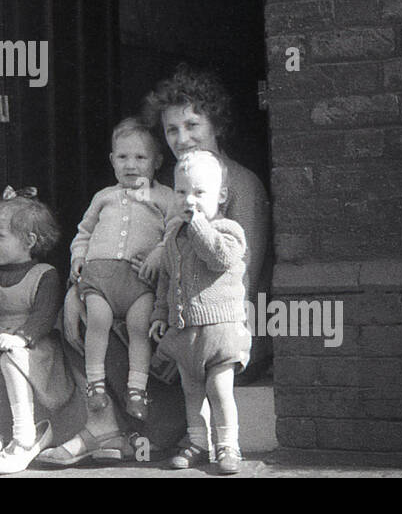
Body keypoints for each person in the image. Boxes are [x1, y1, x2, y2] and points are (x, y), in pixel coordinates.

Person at [40, 64, 271, 467]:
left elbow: (243, 278)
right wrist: (78, 289)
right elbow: (119, 241)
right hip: (161, 316)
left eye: (192, 125)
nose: (182, 138)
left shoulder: (242, 184)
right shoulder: (163, 183)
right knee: (75, 315)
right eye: (171, 129)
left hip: (218, 332)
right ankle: (105, 423)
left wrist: (177, 332)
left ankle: (127, 430)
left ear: (217, 123)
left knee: (163, 409)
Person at [142, 149, 249, 473]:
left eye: (199, 193)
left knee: (219, 390)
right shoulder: (174, 236)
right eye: (182, 191)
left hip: (221, 332)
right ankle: (197, 442)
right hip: (186, 333)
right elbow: (166, 280)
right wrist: (160, 314)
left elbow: (219, 257)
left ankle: (229, 446)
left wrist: (200, 224)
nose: (190, 200)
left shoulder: (230, 231)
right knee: (191, 392)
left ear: (222, 196)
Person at [0, 187, 73, 474]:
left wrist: (21, 337)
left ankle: (24, 437)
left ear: (29, 241)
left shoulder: (44, 275)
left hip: (34, 349)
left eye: (0, 236)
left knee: (10, 358)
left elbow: (44, 316)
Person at [68, 119, 177, 420]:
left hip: (139, 281)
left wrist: (158, 252)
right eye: (123, 157)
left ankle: (137, 391)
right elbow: (84, 232)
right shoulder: (104, 197)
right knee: (97, 322)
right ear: (112, 160)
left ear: (156, 162)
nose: (131, 165)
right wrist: (78, 257)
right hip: (100, 278)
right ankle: (95, 385)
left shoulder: (166, 197)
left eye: (140, 157)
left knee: (140, 328)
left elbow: (175, 231)